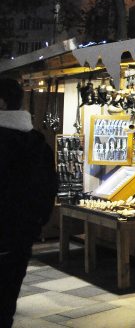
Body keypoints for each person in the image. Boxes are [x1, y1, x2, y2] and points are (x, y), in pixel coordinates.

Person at [0, 78, 57, 328]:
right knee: (5, 305)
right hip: (19, 240)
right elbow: (47, 191)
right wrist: (34, 226)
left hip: (11, 236)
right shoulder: (38, 144)